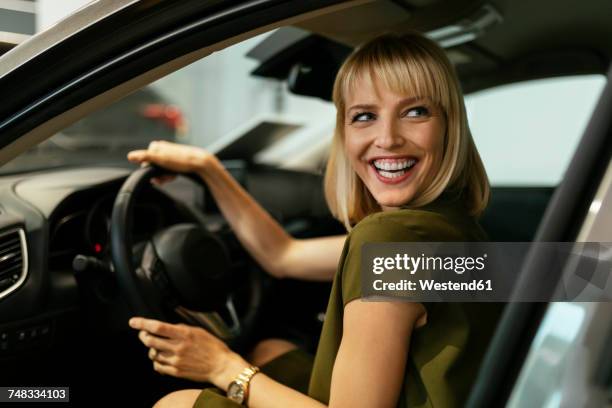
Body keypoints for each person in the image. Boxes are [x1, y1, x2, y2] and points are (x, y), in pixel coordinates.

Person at [126, 32, 503, 407]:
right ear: (345, 132)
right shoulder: (450, 227)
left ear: (450, 126)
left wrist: (224, 368)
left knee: (176, 404)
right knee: (270, 351)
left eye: (415, 112)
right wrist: (208, 168)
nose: (387, 138)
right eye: (365, 116)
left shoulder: (389, 240)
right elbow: (282, 256)